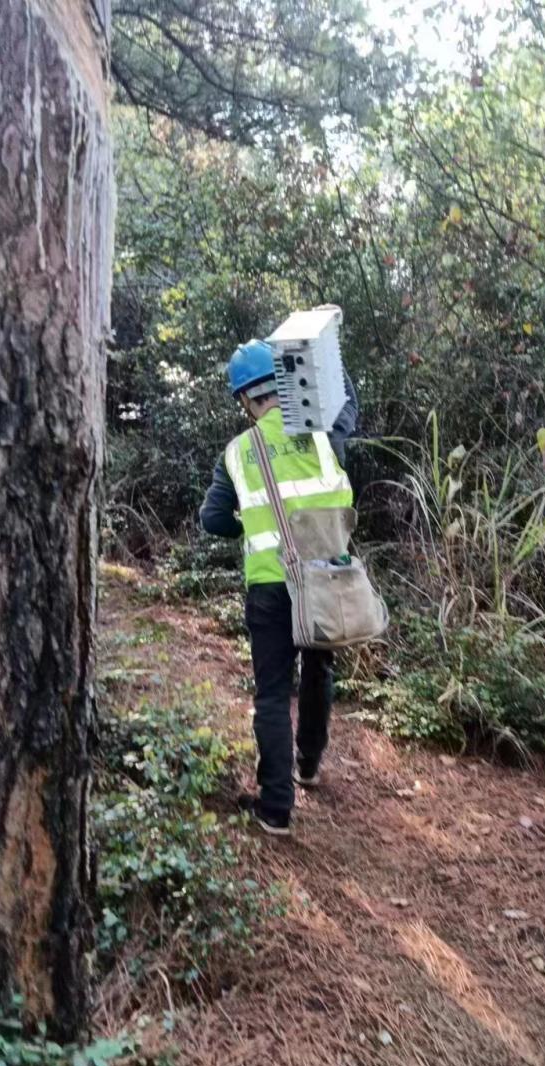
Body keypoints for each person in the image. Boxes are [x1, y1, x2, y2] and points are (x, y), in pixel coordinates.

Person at [200, 338, 360, 836]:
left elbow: (211, 520)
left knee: (272, 693)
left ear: (245, 399)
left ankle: (275, 808)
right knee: (318, 668)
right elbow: (348, 403)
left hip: (270, 584)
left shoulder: (237, 451)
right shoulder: (321, 435)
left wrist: (251, 522)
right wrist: (321, 357)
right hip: (323, 577)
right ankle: (308, 764)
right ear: (287, 385)